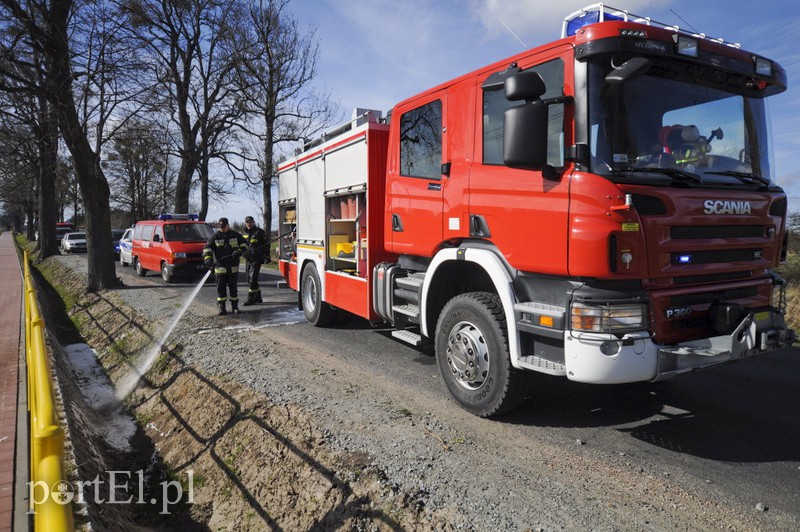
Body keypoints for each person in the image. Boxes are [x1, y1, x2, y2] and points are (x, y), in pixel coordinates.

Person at [203, 217, 248, 315]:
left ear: (228, 225)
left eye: (224, 227)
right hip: (220, 267)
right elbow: (207, 248)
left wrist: (239, 251)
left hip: (233, 266)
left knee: (233, 288)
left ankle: (234, 307)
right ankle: (222, 307)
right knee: (221, 288)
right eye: (220, 227)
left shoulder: (236, 235)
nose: (222, 229)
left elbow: (245, 244)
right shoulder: (214, 237)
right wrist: (208, 258)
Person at [241, 215, 268, 306]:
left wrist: (266, 256)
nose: (249, 224)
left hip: (257, 258)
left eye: (250, 222)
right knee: (250, 279)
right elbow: (242, 244)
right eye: (247, 222)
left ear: (253, 222)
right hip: (248, 258)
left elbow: (266, 244)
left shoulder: (259, 232)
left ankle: (250, 298)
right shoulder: (244, 232)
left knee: (253, 278)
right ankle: (258, 296)